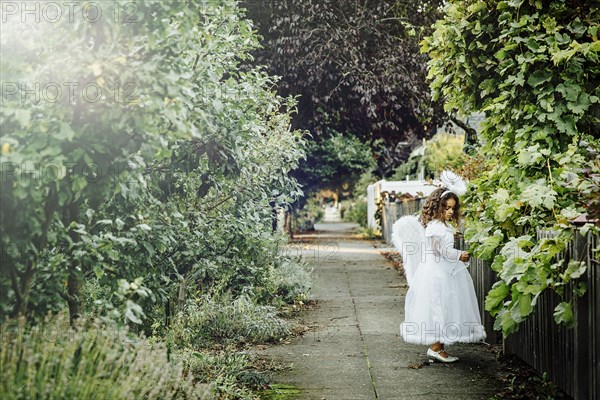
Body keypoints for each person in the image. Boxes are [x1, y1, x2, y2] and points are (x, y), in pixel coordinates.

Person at [393, 187, 486, 363]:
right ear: (438, 207)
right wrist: (458, 255)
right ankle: (436, 348)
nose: (450, 211)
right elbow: (437, 250)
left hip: (446, 270)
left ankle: (438, 347)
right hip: (436, 273)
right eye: (447, 208)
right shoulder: (435, 226)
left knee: (446, 306)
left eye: (453, 208)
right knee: (438, 306)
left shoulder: (444, 225)